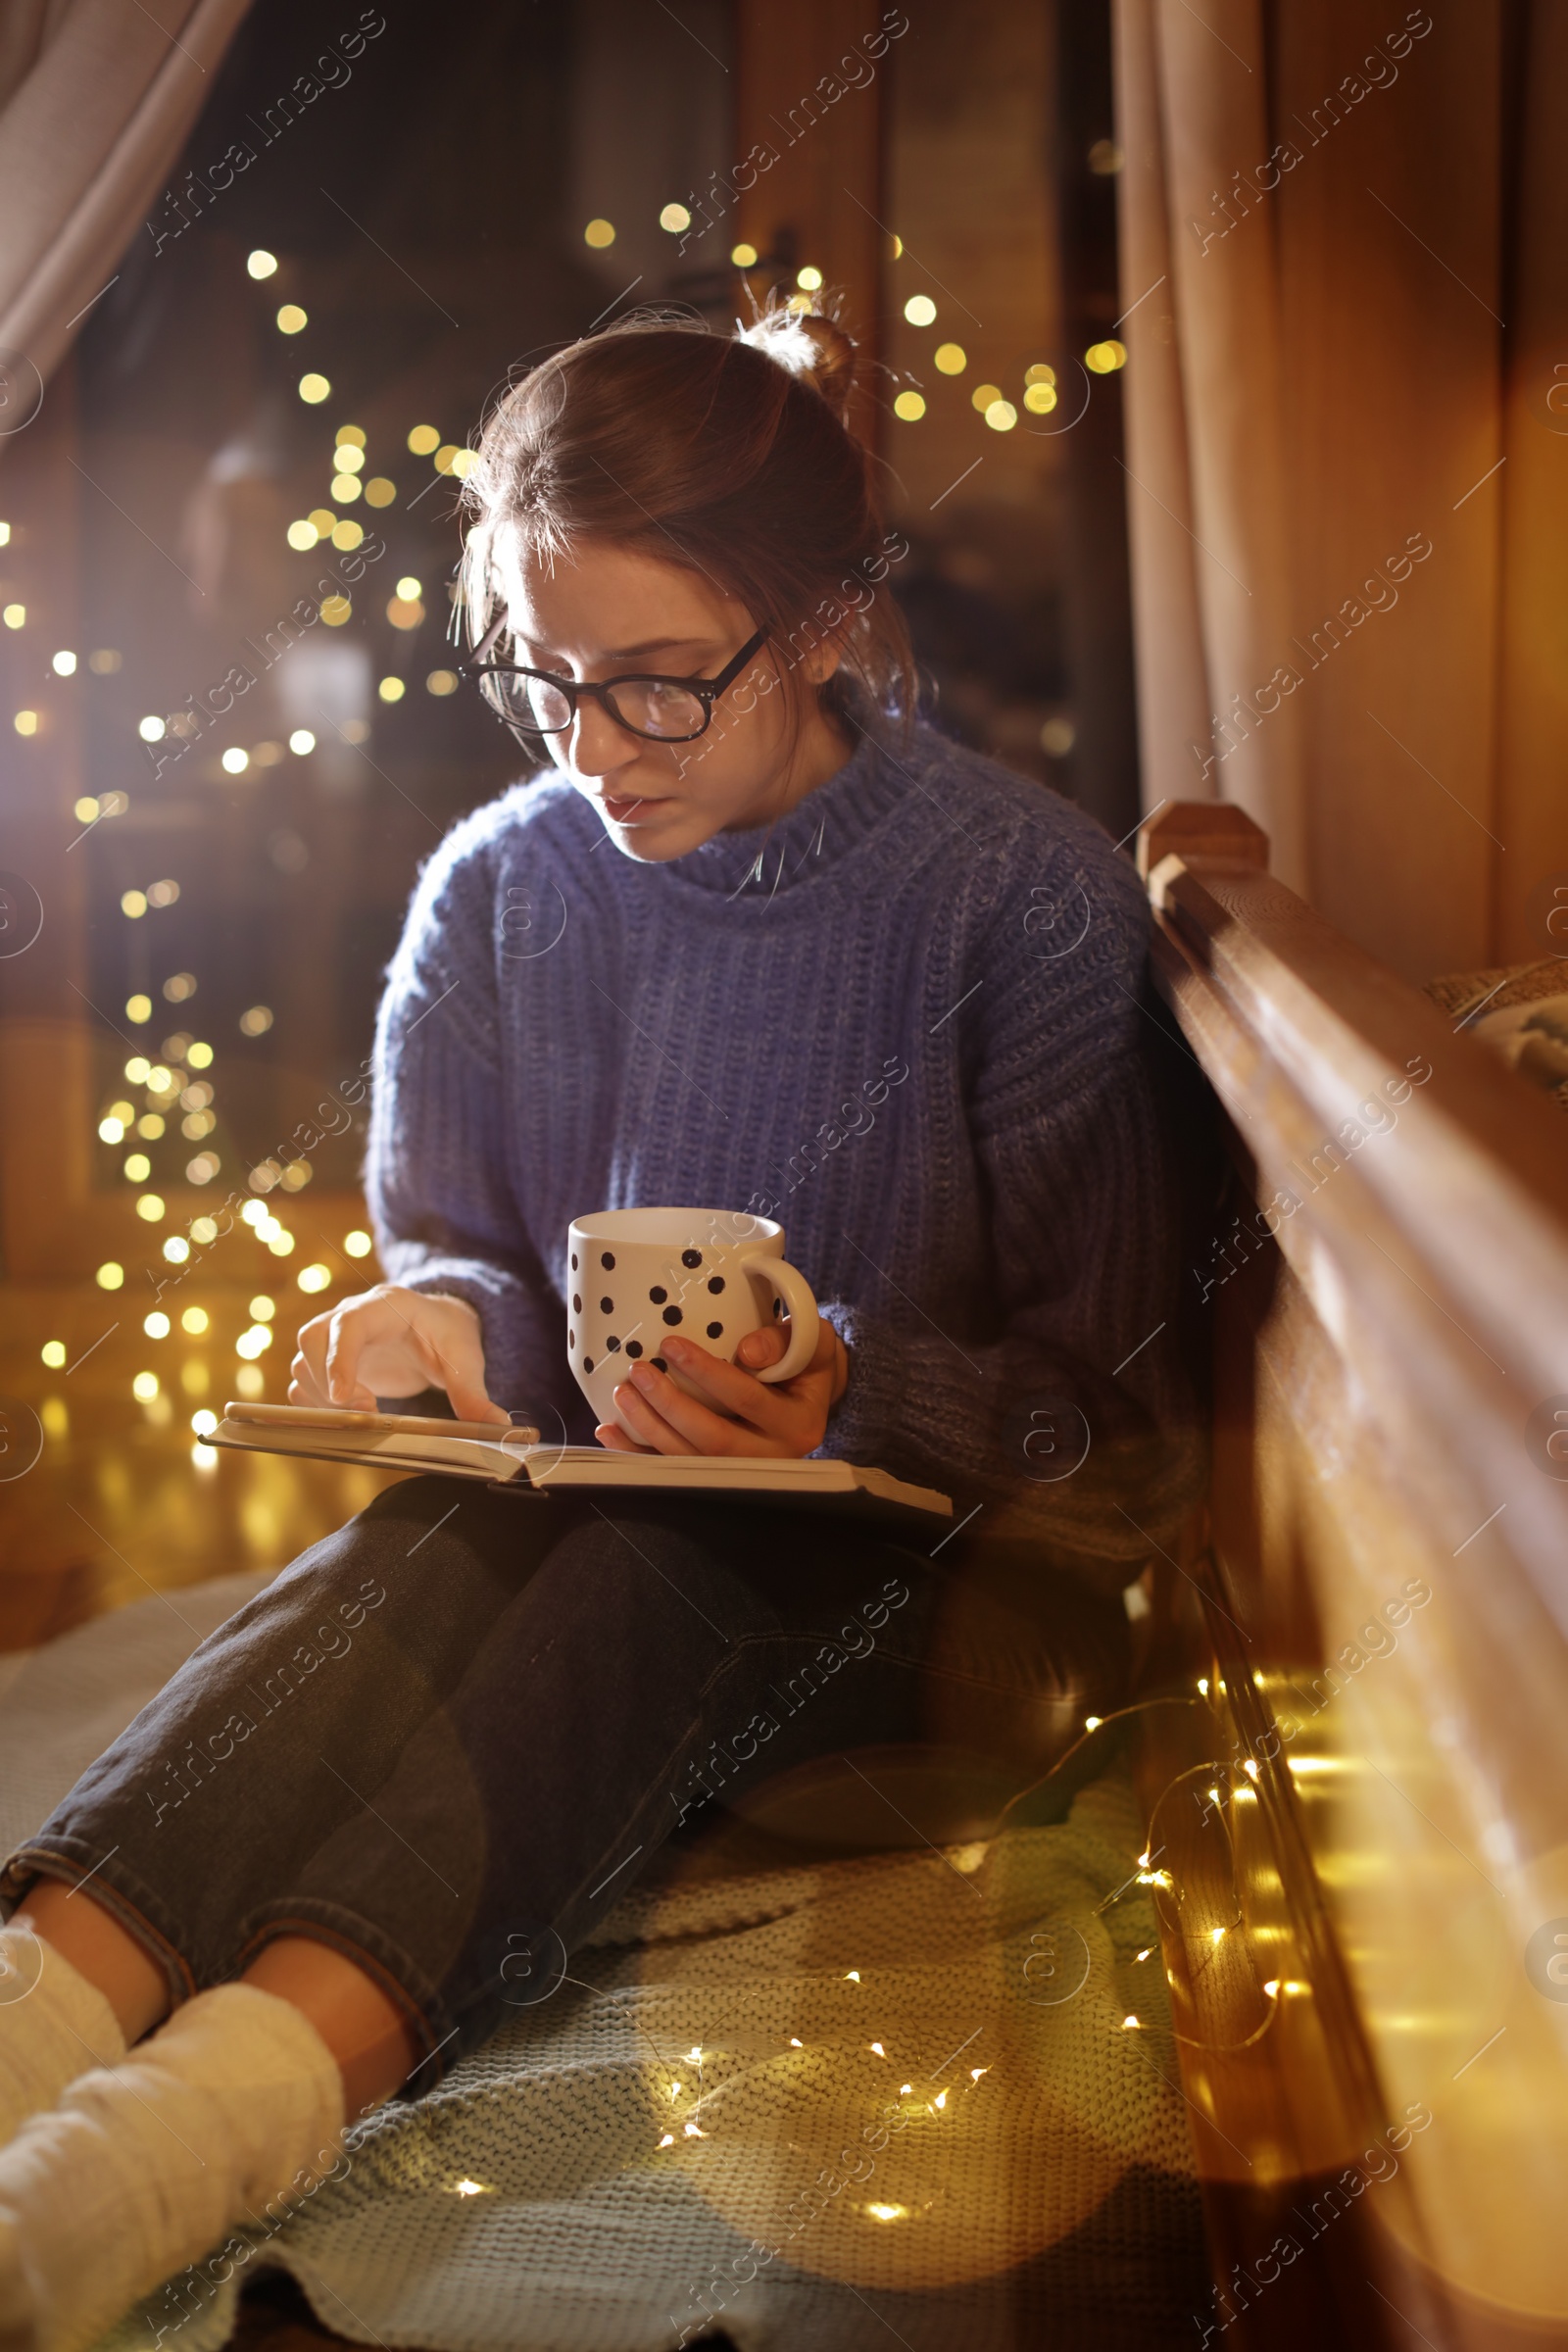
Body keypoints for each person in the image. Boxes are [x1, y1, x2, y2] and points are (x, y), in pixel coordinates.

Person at [0, 304, 1200, 2349]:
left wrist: (860, 1392)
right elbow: (461, 1243)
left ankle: (166, 2152)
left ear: (822, 619)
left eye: (657, 686)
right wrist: (430, 1325)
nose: (592, 747)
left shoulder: (1026, 907)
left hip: (929, 1613)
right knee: (409, 1558)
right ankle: (32, 2021)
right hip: (581, 1514)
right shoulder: (498, 891)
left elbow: (1126, 1446)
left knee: (645, 1563)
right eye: (541, 682)